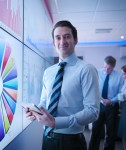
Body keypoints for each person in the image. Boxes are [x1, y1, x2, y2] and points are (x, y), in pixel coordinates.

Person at [24, 20, 100, 150]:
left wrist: (56, 122)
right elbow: (44, 101)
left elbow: (93, 111)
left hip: (71, 142)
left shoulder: (86, 69)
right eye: (58, 38)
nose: (62, 41)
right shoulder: (48, 72)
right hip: (47, 138)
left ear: (75, 40)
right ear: (54, 43)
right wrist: (35, 112)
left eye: (67, 36)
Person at [89, 56, 124, 150]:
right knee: (95, 129)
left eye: (109, 68)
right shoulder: (97, 73)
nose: (106, 70)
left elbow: (121, 92)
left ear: (113, 67)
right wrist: (101, 99)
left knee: (110, 132)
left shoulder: (119, 76)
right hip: (98, 105)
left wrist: (111, 100)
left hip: (112, 106)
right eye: (105, 67)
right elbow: (93, 88)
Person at [118, 65, 126, 150]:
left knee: (124, 131)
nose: (122, 76)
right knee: (124, 132)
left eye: (123, 74)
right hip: (124, 107)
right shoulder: (124, 82)